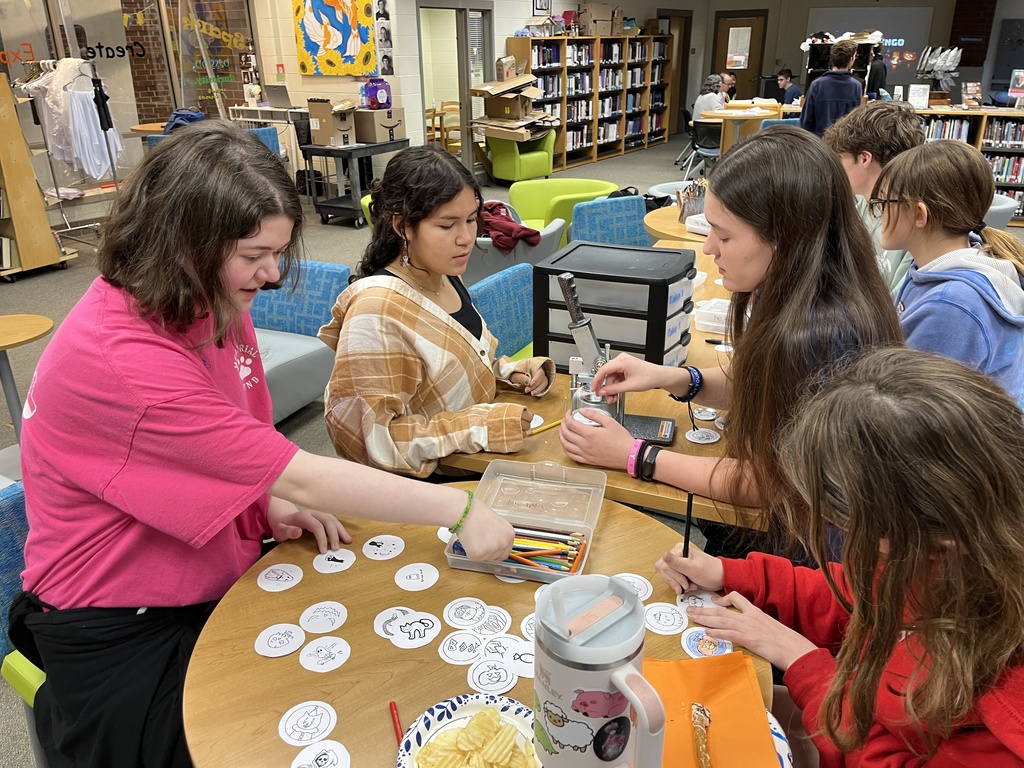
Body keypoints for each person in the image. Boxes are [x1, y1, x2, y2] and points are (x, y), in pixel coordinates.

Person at [8, 121, 514, 768]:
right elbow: (297, 471)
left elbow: (229, 450)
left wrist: (264, 504)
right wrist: (461, 510)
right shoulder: (123, 358)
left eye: (277, 252)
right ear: (180, 243)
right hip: (122, 621)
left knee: (382, 662)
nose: (272, 275)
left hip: (218, 564)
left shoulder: (210, 297)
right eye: (253, 256)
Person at [655, 347, 1024, 766]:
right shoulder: (946, 559)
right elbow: (858, 593)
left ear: (933, 537)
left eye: (848, 530)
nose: (845, 547)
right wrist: (731, 572)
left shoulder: (1005, 723)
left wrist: (804, 665)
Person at [558, 126, 902, 525]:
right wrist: (669, 377)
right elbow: (760, 385)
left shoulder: (818, 333)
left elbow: (769, 484)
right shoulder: (816, 291)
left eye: (723, 235)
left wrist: (635, 455)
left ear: (784, 238)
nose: (707, 248)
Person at [319, 144, 555, 479]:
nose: (467, 238)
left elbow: (459, 364)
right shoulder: (376, 312)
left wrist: (510, 372)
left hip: (481, 460)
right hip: (437, 486)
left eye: (472, 220)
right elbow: (368, 440)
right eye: (447, 226)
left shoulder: (443, 275)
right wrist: (479, 426)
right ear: (403, 227)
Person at [870, 139, 1024, 404]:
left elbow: (913, 409)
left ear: (919, 214)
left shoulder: (950, 306)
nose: (878, 213)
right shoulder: (934, 267)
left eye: (883, 202)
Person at [823, 100, 925, 298]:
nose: (835, 170)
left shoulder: (910, 226)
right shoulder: (862, 205)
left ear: (864, 159)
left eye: (839, 159)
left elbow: (895, 308)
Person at [799, 39, 863, 137]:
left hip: (819, 144)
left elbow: (805, 121)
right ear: (851, 59)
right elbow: (854, 122)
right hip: (842, 145)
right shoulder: (856, 86)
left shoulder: (817, 84)